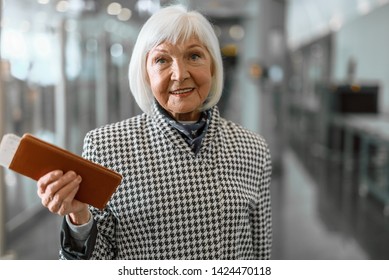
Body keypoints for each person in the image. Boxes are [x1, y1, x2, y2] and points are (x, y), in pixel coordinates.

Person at [36, 4, 272, 260]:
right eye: (161, 60)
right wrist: (79, 216)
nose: (180, 75)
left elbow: (260, 254)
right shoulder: (106, 147)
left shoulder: (252, 148)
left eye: (194, 56)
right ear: (146, 74)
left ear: (212, 67)